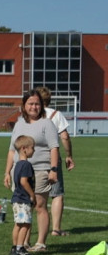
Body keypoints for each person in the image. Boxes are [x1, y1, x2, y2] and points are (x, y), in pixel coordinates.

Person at [3, 90, 58, 253]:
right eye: (30, 103)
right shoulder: (19, 123)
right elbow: (12, 150)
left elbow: (54, 148)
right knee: (23, 207)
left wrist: (53, 169)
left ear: (41, 106)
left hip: (39, 170)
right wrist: (7, 172)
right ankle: (22, 243)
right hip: (18, 171)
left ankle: (40, 243)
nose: (34, 107)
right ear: (24, 106)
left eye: (37, 104)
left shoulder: (47, 124)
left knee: (39, 205)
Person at [36, 87, 76, 237]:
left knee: (33, 193)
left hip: (33, 156)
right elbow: (64, 136)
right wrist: (69, 155)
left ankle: (25, 229)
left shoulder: (32, 115)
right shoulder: (56, 114)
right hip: (51, 157)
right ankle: (55, 229)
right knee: (56, 194)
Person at [9, 135, 36, 255]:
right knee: (26, 224)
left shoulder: (17, 164)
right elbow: (24, 181)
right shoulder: (26, 165)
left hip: (16, 199)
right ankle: (20, 248)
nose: (34, 150)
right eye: (32, 148)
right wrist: (32, 194)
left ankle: (14, 247)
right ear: (24, 149)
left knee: (18, 224)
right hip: (23, 200)